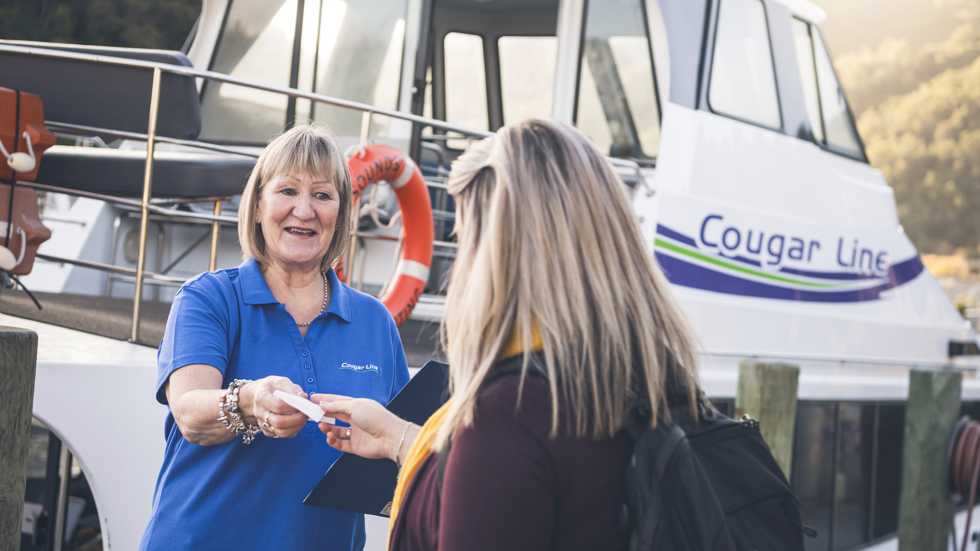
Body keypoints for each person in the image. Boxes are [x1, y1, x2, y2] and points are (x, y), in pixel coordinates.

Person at [315, 119, 702, 550]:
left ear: (497, 253)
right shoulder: (638, 382)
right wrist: (398, 438)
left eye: (464, 242)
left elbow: (502, 475)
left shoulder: (507, 420)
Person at [139, 124, 410, 551]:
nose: (304, 210)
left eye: (322, 195)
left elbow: (403, 446)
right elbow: (190, 412)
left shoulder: (375, 321)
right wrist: (248, 401)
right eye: (287, 191)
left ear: (339, 213)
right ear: (259, 205)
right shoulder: (208, 298)